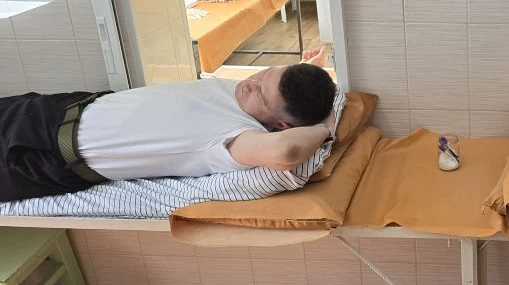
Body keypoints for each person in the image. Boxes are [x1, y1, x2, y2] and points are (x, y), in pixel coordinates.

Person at [0, 46, 338, 202]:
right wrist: (311, 67)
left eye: (261, 95)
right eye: (265, 74)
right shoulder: (244, 89)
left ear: (281, 124)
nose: (252, 83)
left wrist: (326, 127)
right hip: (53, 108)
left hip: (39, 157)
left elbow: (286, 152)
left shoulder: (234, 137)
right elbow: (283, 87)